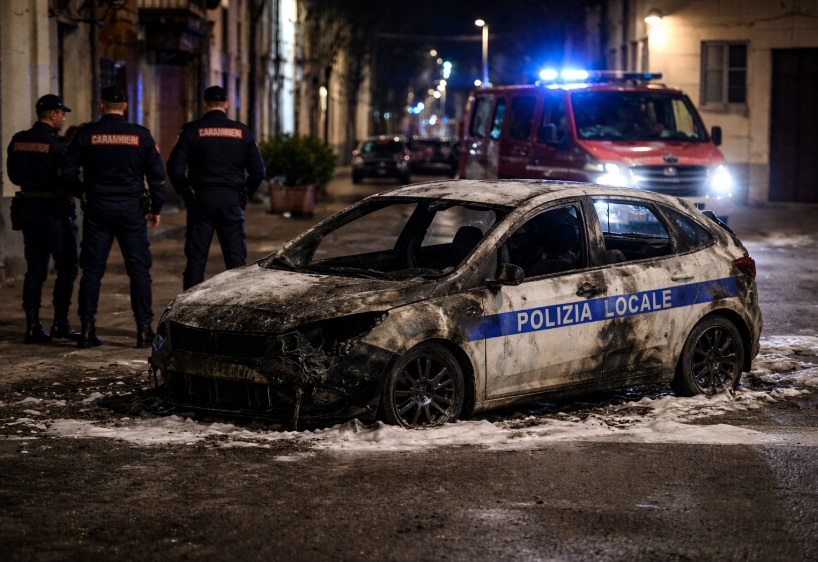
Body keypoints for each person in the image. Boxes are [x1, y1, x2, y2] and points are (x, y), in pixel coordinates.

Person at [61, 86, 166, 349]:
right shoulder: (141, 135)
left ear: (101, 105)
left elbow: (67, 172)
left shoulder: (86, 133)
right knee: (139, 270)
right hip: (131, 209)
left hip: (98, 208)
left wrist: (82, 192)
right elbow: (156, 176)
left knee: (92, 271)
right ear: (125, 107)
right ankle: (144, 331)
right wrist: (156, 208)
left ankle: (87, 330)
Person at [166, 85, 265, 290]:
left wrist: (186, 192)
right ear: (226, 105)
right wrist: (245, 192)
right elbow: (258, 171)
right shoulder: (242, 131)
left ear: (205, 104)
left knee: (196, 260)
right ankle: (238, 305)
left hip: (201, 201)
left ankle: (189, 305)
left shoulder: (192, 130)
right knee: (236, 261)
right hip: (231, 200)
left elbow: (174, 169)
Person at [6, 94, 80, 343]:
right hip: (54, 211)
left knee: (35, 269)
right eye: (62, 114)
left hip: (28, 209)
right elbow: (67, 177)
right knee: (67, 267)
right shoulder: (58, 145)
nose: (64, 118)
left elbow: (13, 175)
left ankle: (32, 325)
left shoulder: (18, 140)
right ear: (52, 115)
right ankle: (60, 322)